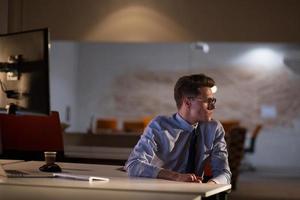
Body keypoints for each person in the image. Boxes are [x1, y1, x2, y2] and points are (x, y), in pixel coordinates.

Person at [124, 74, 231, 184]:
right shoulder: (159, 126)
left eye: (213, 101)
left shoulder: (214, 128)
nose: (213, 106)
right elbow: (133, 164)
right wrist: (176, 177)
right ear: (187, 102)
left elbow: (224, 173)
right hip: (161, 193)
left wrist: (210, 185)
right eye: (208, 101)